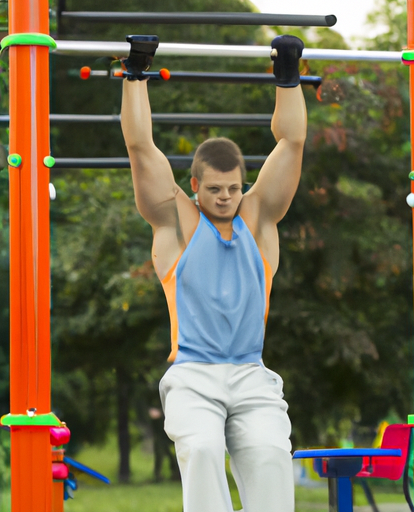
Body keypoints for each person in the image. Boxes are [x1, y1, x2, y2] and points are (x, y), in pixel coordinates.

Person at [120, 34, 307, 512]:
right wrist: (136, 74)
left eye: (234, 188)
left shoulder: (258, 219)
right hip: (192, 375)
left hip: (250, 372)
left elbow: (292, 141)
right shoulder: (176, 223)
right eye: (216, 189)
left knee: (270, 455)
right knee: (202, 449)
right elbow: (141, 147)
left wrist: (288, 76)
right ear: (195, 185)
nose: (225, 197)